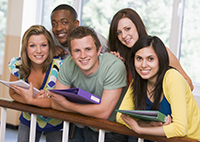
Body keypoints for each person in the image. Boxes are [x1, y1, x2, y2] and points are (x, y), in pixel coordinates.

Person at [49, 26, 128, 142]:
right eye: (77, 51)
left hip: (113, 130)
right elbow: (55, 103)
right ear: (71, 53)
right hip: (85, 125)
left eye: (88, 49)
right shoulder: (68, 64)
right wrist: (92, 113)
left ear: (99, 50)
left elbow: (103, 113)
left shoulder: (114, 66)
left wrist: (66, 103)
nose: (83, 55)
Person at [116, 35, 200, 140]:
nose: (143, 65)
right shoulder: (137, 81)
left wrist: (140, 129)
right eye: (139, 58)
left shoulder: (173, 77)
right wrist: (150, 125)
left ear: (161, 59)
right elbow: (121, 117)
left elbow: (180, 128)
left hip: (190, 139)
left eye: (150, 59)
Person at [108, 8, 194, 90]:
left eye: (127, 29)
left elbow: (189, 85)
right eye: (119, 33)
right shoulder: (124, 59)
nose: (123, 35)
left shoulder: (161, 51)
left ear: (138, 26)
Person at [8, 25, 64, 142]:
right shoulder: (17, 66)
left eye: (43, 45)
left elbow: (58, 101)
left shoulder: (60, 67)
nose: (38, 50)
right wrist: (31, 100)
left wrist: (32, 100)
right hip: (28, 119)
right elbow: (13, 93)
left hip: (56, 121)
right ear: (25, 47)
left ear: (50, 46)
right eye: (32, 45)